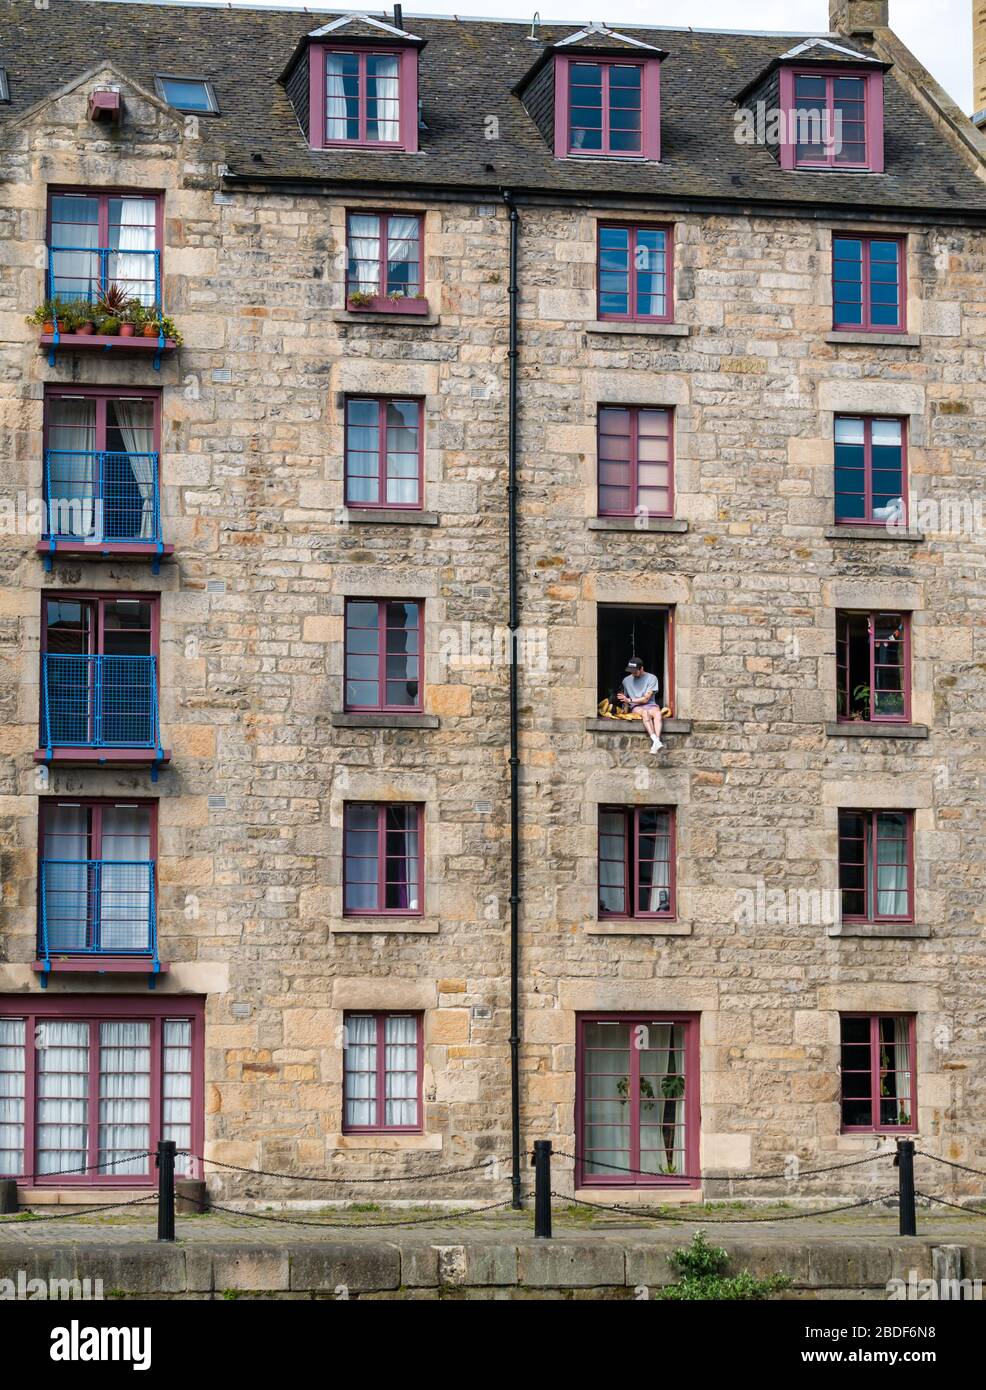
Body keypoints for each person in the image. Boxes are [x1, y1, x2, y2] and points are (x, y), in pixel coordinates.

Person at [617, 657, 663, 753]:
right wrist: (624, 710)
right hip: (635, 707)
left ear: (641, 669)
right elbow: (624, 699)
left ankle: (656, 741)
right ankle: (655, 740)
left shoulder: (652, 678)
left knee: (658, 714)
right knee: (645, 713)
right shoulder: (626, 680)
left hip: (650, 704)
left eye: (635, 671)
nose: (633, 673)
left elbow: (646, 699)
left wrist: (629, 699)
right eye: (631, 671)